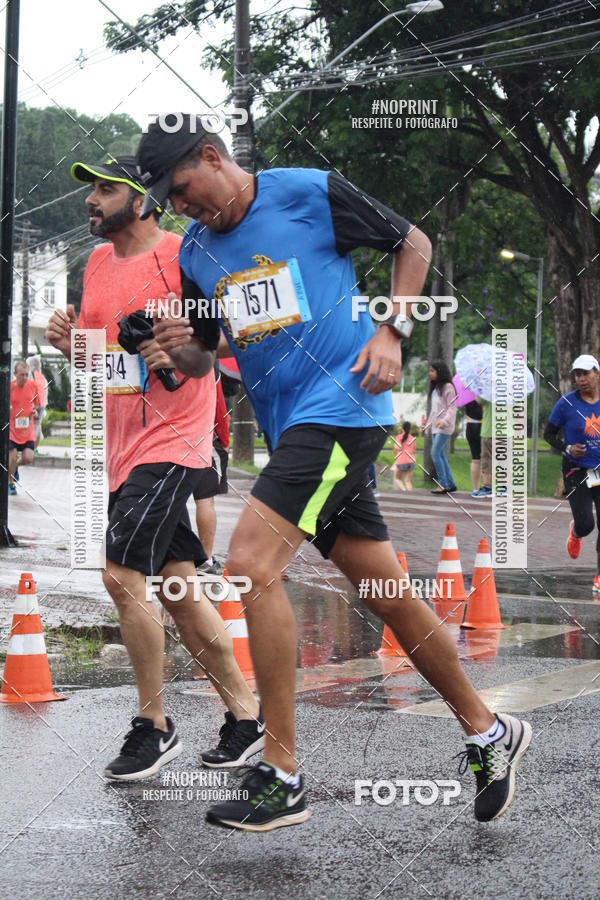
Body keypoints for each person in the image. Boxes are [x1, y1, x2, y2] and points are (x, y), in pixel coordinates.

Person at [138, 115, 532, 831]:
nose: (180, 206)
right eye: (169, 199)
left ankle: (282, 774)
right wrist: (180, 351)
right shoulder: (196, 252)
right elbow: (205, 356)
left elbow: (413, 241)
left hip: (346, 406)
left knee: (251, 565)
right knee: (390, 596)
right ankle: (489, 731)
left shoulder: (306, 193)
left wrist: (395, 329)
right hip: (295, 428)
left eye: (183, 187)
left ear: (211, 154)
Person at [46, 155, 264, 780]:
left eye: (107, 189)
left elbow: (244, 327)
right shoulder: (94, 263)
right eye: (89, 189)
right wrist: (72, 347)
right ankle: (246, 718)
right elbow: (108, 364)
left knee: (120, 579)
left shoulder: (184, 252)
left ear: (143, 201)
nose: (93, 199)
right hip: (122, 448)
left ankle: (154, 725)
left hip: (174, 441)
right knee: (181, 593)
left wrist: (187, 341)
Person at [544, 354, 600, 592]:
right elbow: (549, 435)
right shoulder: (566, 404)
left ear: (597, 374)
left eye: (586, 373)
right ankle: (576, 532)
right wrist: (567, 448)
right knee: (587, 524)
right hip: (576, 471)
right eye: (577, 374)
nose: (581, 379)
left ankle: (599, 577)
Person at [194, 368, 230, 575]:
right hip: (204, 440)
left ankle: (170, 558)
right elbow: (220, 407)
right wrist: (224, 441)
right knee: (205, 501)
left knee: (173, 503)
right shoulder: (207, 362)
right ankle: (205, 560)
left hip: (168, 441)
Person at [423, 361, 457, 494]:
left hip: (445, 426)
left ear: (439, 371)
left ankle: (443, 484)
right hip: (436, 427)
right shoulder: (436, 389)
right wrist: (428, 426)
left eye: (432, 371)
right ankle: (451, 484)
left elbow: (452, 408)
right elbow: (434, 411)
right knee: (440, 455)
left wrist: (445, 421)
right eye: (429, 371)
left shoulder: (448, 387)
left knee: (435, 452)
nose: (430, 373)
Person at [8, 360, 38, 495]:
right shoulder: (8, 387)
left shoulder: (32, 386)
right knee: (12, 457)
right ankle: (10, 484)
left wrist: (35, 411)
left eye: (26, 375)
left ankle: (14, 469)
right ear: (15, 374)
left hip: (27, 430)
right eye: (21, 375)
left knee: (28, 458)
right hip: (12, 429)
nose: (25, 378)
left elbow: (36, 405)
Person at [471, 397, 493, 498]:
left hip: (489, 430)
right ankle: (503, 487)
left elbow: (480, 400)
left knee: (487, 459)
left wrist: (478, 390)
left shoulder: (489, 389)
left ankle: (488, 487)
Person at [27, 355, 48, 450]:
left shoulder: (34, 376)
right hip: (41, 405)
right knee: (36, 426)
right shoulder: (42, 377)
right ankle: (34, 448)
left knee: (35, 426)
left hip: (35, 405)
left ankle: (33, 448)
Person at [464, 398, 482, 494]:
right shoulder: (487, 390)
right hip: (485, 426)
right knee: (489, 459)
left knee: (475, 460)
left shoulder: (468, 389)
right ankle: (489, 488)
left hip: (470, 426)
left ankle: (476, 489)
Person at [394, 421, 416, 491]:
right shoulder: (413, 438)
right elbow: (413, 451)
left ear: (402, 428)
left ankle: (404, 491)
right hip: (411, 461)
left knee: (397, 479)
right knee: (407, 481)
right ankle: (410, 496)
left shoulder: (399, 437)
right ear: (410, 429)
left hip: (401, 461)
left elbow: (397, 448)